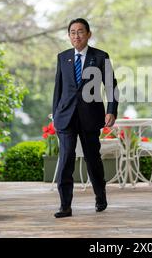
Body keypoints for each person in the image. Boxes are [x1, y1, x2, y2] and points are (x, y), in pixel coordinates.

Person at [52, 18, 118, 218]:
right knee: (65, 161)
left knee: (92, 160)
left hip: (90, 116)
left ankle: (100, 196)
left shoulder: (100, 56)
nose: (76, 36)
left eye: (80, 32)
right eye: (72, 32)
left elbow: (110, 86)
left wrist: (112, 110)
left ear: (88, 34)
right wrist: (56, 114)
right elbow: (58, 88)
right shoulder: (63, 57)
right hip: (66, 117)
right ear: (69, 36)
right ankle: (65, 206)